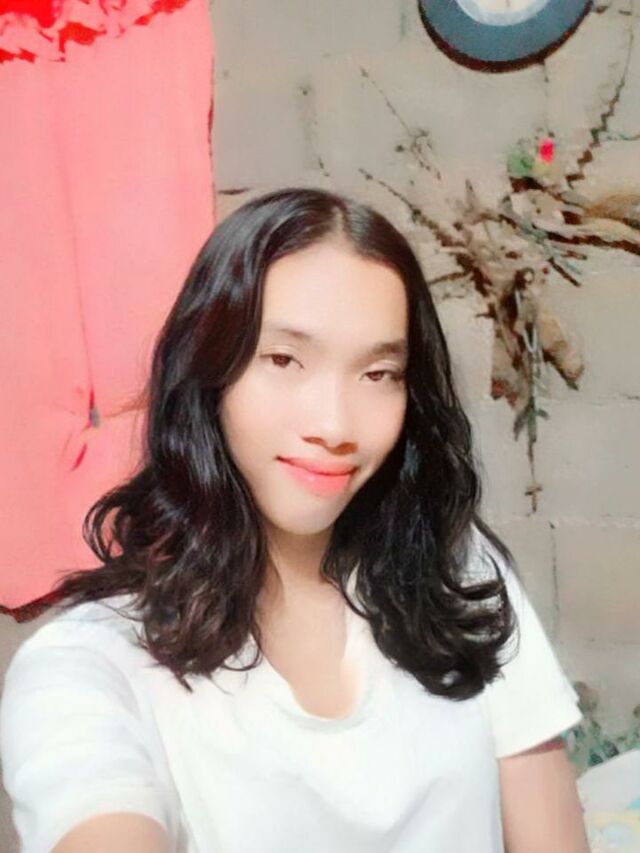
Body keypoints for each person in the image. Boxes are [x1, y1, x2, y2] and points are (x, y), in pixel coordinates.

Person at [0, 187, 589, 852]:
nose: (335, 426)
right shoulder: (89, 663)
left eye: (379, 373)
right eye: (283, 360)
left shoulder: (458, 571)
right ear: (208, 371)